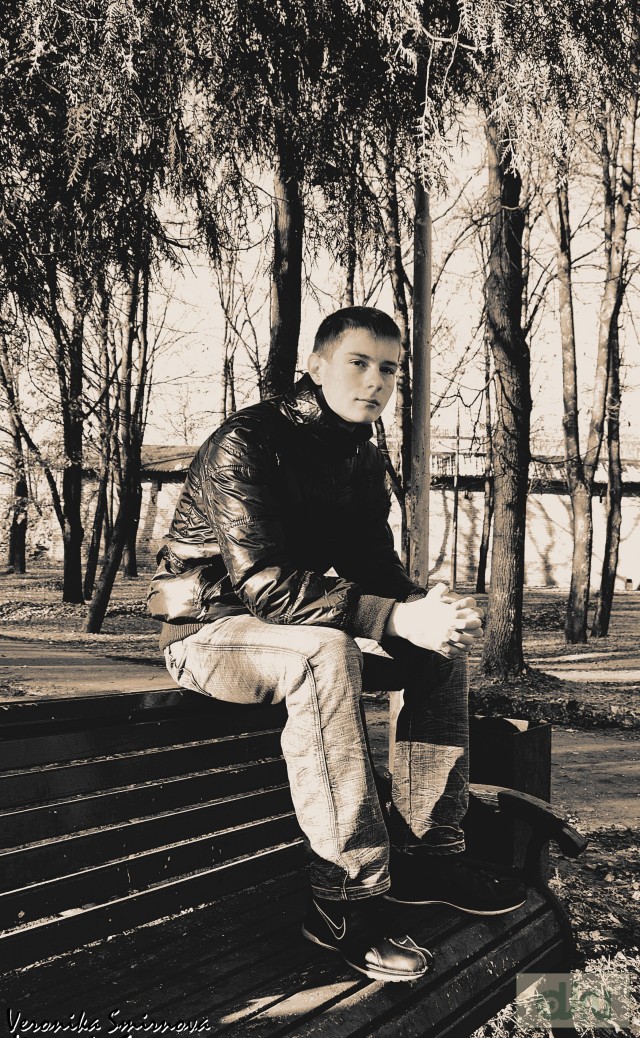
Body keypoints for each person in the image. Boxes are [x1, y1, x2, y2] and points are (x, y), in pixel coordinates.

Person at [147, 306, 525, 984]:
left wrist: (426, 611)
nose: (376, 381)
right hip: (209, 631)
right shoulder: (246, 442)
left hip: (294, 630)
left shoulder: (360, 457)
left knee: (438, 650)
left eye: (390, 369)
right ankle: (343, 899)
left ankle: (429, 856)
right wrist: (393, 617)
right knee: (326, 652)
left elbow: (374, 570)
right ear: (317, 367)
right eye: (359, 362)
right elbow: (262, 586)